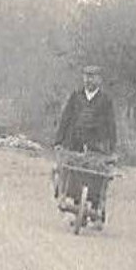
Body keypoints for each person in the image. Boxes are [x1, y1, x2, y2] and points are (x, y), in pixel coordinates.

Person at [54, 65, 118, 212]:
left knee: (96, 175)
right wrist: (59, 141)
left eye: (93, 77)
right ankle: (76, 202)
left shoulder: (105, 100)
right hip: (74, 142)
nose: (89, 80)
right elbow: (66, 118)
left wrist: (112, 148)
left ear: (99, 80)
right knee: (74, 172)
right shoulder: (76, 96)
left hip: (97, 145)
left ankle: (96, 205)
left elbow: (111, 124)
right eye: (86, 76)